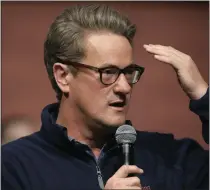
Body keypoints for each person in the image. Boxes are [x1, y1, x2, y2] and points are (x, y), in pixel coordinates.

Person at [2, 4, 209, 190]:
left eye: (128, 72)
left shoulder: (173, 158)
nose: (124, 86)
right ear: (63, 76)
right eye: (108, 72)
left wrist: (202, 94)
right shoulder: (13, 166)